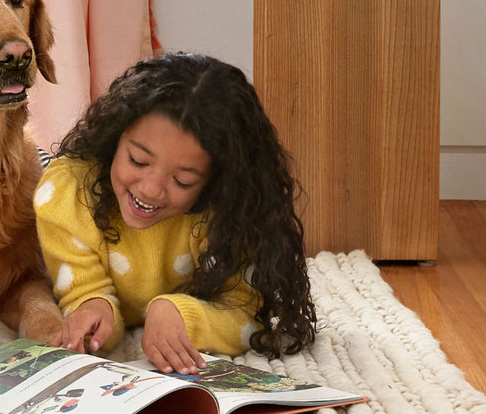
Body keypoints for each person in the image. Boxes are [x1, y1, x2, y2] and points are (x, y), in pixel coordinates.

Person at [34, 52, 316, 373]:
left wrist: (180, 313)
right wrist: (91, 307)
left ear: (216, 181)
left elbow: (248, 313)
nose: (151, 189)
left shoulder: (228, 214)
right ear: (114, 137)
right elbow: (82, 288)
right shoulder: (68, 193)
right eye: (138, 160)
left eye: (183, 181)